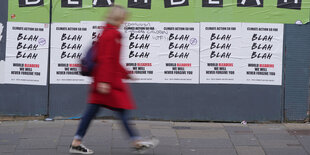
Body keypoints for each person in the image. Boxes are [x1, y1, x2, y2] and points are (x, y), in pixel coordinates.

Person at [69, 5, 159, 154]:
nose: (125, 21)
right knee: (122, 111)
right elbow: (107, 59)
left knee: (91, 112)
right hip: (107, 83)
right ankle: (136, 142)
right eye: (124, 18)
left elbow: (110, 59)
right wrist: (105, 82)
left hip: (102, 80)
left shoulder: (105, 32)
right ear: (119, 18)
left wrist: (125, 73)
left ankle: (76, 142)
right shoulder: (113, 35)